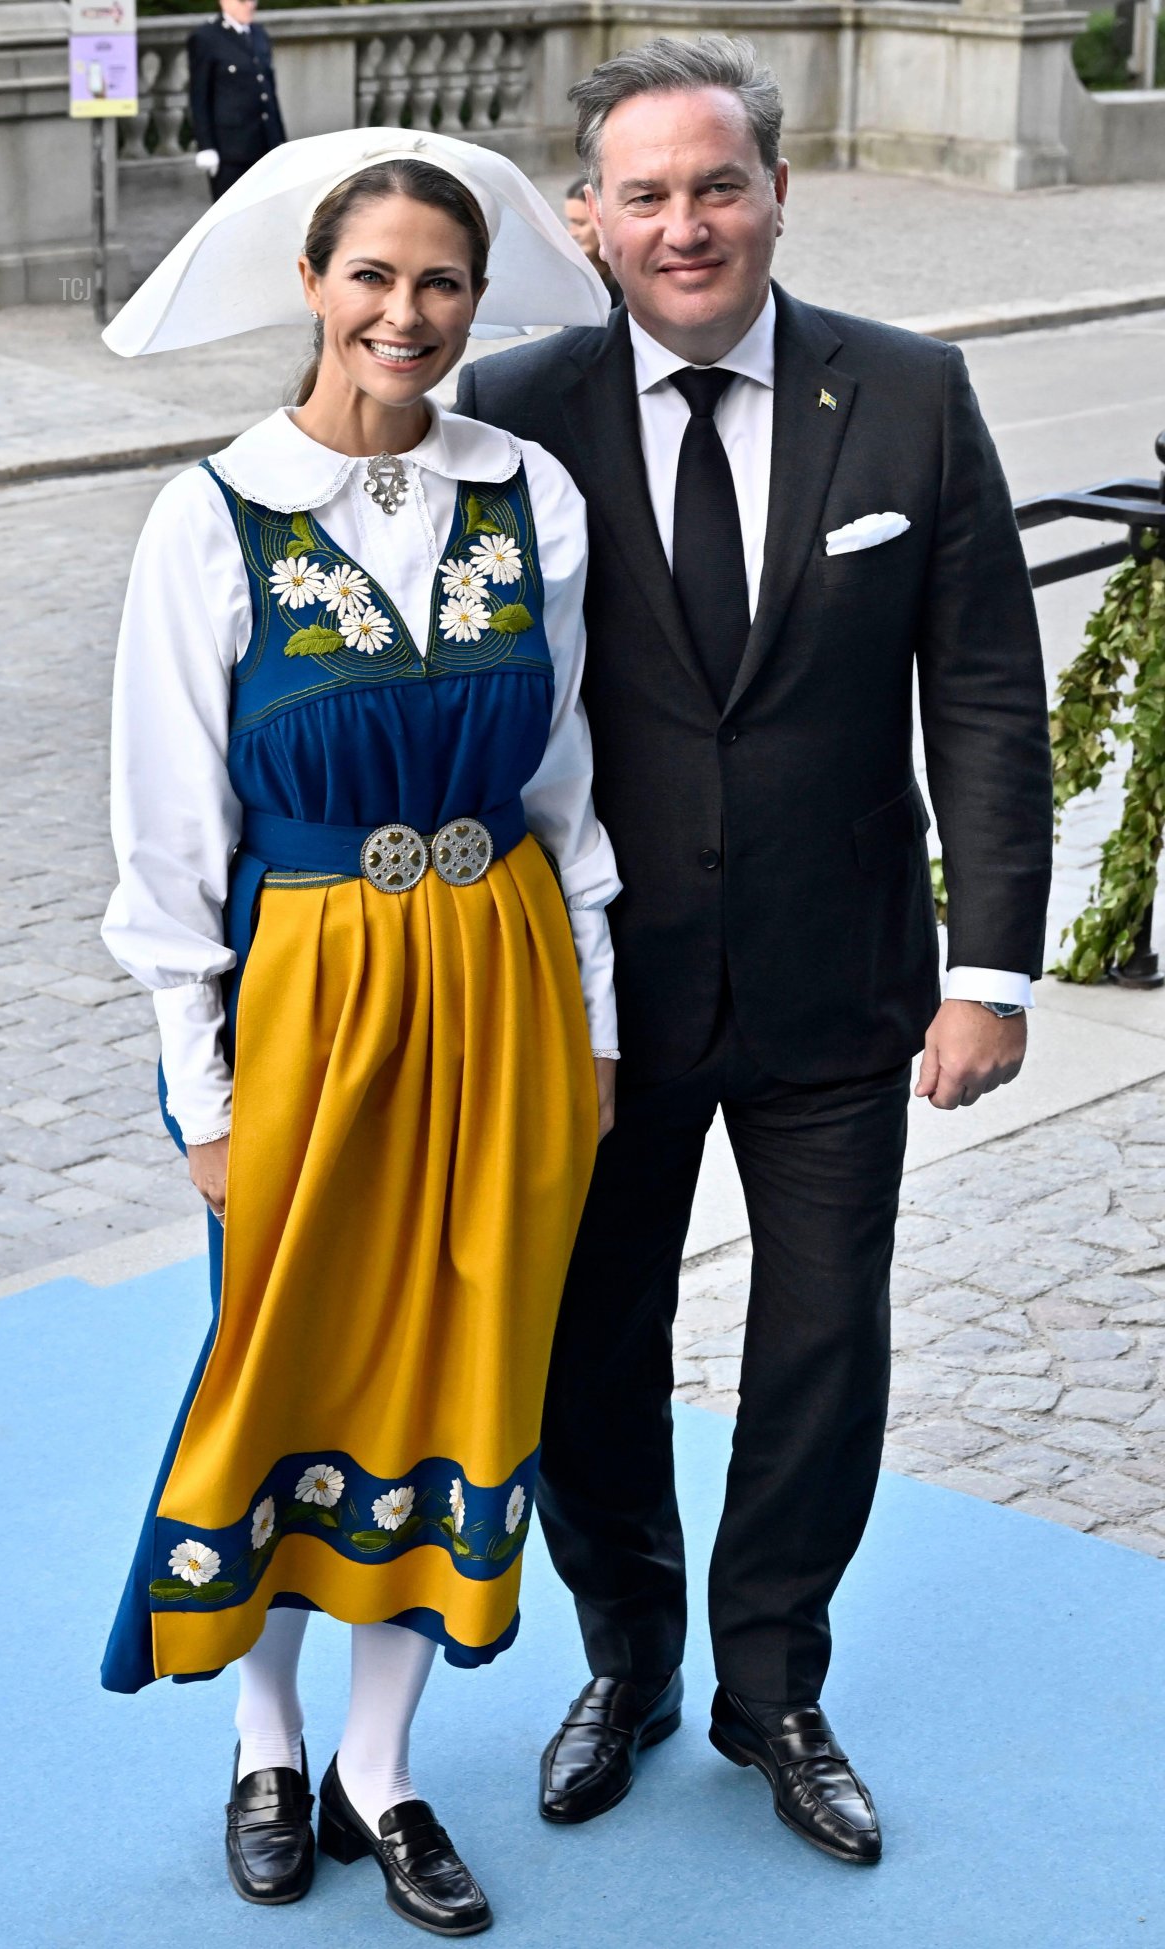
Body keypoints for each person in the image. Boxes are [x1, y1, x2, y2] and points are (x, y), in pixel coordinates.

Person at [456, 36, 1053, 1864]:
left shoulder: (911, 392)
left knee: (821, 1346)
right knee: (587, 1349)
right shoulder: (512, 408)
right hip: (596, 999)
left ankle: (774, 1682)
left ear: (778, 192)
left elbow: (983, 688)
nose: (686, 223)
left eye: (717, 184)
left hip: (838, 981)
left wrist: (991, 970)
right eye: (644, 193)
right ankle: (626, 1658)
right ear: (590, 219)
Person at [99, 128, 617, 1932]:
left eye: (442, 282)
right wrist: (202, 1095)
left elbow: (566, 781)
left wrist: (595, 1029)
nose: (407, 312)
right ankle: (265, 1739)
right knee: (284, 1362)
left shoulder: (531, 496)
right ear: (313, 284)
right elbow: (168, 843)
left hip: (506, 980)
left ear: (476, 301)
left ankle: (378, 1771)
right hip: (308, 998)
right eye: (375, 276)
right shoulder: (214, 514)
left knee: (466, 1361)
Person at [188, 0, 285, 202]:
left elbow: (269, 93)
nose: (250, 5)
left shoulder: (258, 33)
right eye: (242, 1)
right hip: (230, 151)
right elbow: (199, 96)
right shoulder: (207, 37)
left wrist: (279, 139)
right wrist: (206, 146)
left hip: (264, 146)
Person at [563, 174, 621, 303]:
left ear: (600, 220)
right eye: (571, 222)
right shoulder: (581, 274)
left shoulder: (624, 285)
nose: (572, 233)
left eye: (580, 223)